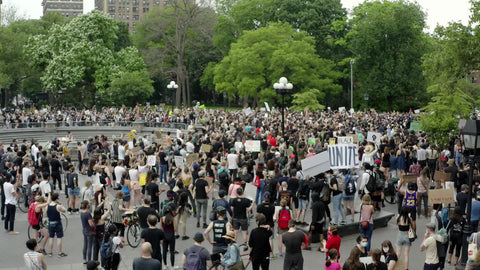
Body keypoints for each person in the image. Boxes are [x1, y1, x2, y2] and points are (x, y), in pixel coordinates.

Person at [47, 192, 67, 257]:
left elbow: (46, 214)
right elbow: (64, 210)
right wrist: (60, 203)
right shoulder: (58, 206)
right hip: (57, 223)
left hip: (50, 222)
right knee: (59, 237)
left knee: (51, 237)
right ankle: (60, 252)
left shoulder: (48, 205)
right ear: (56, 199)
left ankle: (50, 252)